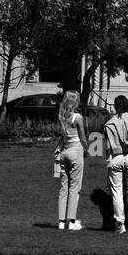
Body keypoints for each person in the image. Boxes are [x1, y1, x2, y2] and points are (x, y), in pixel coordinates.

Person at [104, 95, 128, 234]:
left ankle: (120, 224)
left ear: (114, 106)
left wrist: (108, 159)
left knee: (117, 192)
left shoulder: (110, 123)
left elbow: (107, 147)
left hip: (116, 157)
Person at [55, 90, 87, 231]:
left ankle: (61, 221)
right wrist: (87, 149)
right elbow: (83, 137)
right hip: (75, 150)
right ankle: (72, 221)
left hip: (64, 151)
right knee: (74, 188)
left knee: (64, 188)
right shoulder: (77, 117)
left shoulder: (62, 116)